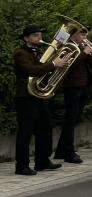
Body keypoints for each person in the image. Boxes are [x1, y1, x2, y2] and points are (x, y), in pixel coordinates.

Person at [12, 25, 71, 176]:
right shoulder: (20, 53)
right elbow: (31, 71)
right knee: (25, 132)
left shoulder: (40, 52)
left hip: (39, 96)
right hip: (26, 97)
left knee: (45, 128)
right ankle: (22, 166)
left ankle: (42, 161)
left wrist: (59, 66)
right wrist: (53, 64)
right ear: (26, 38)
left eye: (40, 35)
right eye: (35, 35)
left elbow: (45, 71)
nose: (40, 38)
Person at [54, 24, 92, 165]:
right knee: (71, 119)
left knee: (74, 119)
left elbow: (89, 66)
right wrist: (84, 53)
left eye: (85, 35)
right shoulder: (67, 46)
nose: (85, 37)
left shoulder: (80, 47)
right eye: (82, 34)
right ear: (74, 34)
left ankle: (61, 150)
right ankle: (69, 152)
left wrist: (89, 54)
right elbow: (68, 64)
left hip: (83, 85)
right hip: (72, 86)